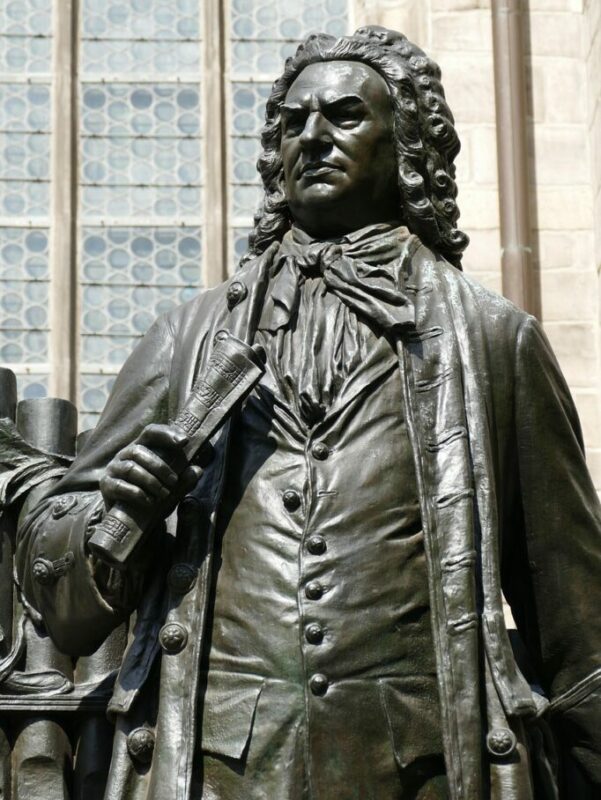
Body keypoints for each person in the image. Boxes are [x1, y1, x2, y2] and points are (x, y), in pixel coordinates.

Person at [16, 26, 601, 800]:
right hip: (216, 767)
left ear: (406, 145)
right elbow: (56, 594)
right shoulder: (188, 336)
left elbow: (578, 629)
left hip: (423, 768)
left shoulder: (496, 341)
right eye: (293, 122)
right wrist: (115, 518)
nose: (312, 137)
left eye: (344, 115)